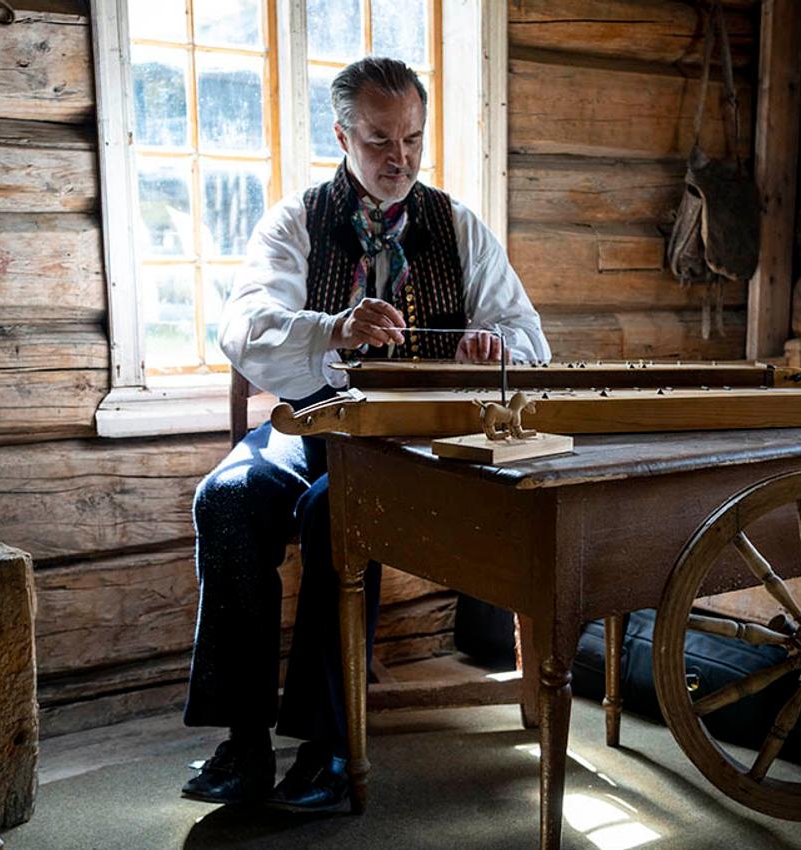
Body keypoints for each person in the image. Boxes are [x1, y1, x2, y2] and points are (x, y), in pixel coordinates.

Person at [181, 55, 550, 813]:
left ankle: (330, 747)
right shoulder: (297, 221)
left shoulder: (459, 228)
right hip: (316, 420)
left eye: (412, 139)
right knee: (228, 497)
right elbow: (243, 328)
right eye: (380, 139)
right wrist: (334, 329)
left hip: (417, 441)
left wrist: (491, 349)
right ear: (343, 136)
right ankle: (244, 742)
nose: (399, 157)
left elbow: (530, 341)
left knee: (337, 512)